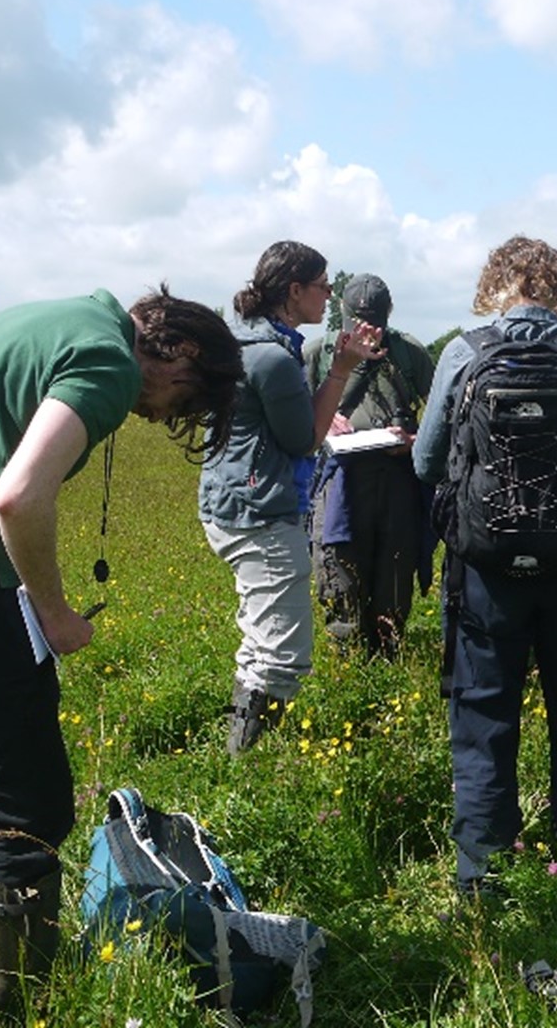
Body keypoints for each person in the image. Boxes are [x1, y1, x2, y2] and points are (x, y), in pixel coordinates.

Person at [0, 285, 242, 1022]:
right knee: (22, 808)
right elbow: (18, 494)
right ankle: (15, 1006)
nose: (162, 417)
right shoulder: (105, 359)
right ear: (181, 350)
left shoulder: (47, 317)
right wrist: (54, 614)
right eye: (187, 397)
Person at [413, 235, 557, 896]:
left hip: (484, 571)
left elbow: (425, 462)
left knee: (482, 718)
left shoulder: (463, 351)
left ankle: (482, 873)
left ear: (495, 285)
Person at [201, 241, 383, 754]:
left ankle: (240, 756)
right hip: (261, 510)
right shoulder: (272, 358)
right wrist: (342, 368)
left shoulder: (242, 341)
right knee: (282, 653)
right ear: (294, 290)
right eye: (323, 285)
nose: (329, 295)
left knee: (261, 640)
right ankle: (247, 766)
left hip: (234, 502)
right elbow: (305, 437)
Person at [303, 273, 435, 659]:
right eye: (359, 320)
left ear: (388, 314)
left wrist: (414, 441)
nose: (367, 329)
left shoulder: (409, 352)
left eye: (375, 321)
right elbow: (292, 420)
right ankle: (347, 664)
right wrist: (325, 421)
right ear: (341, 313)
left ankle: (389, 658)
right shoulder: (317, 354)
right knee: (338, 569)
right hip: (337, 480)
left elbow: (443, 413)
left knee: (395, 572)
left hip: (397, 478)